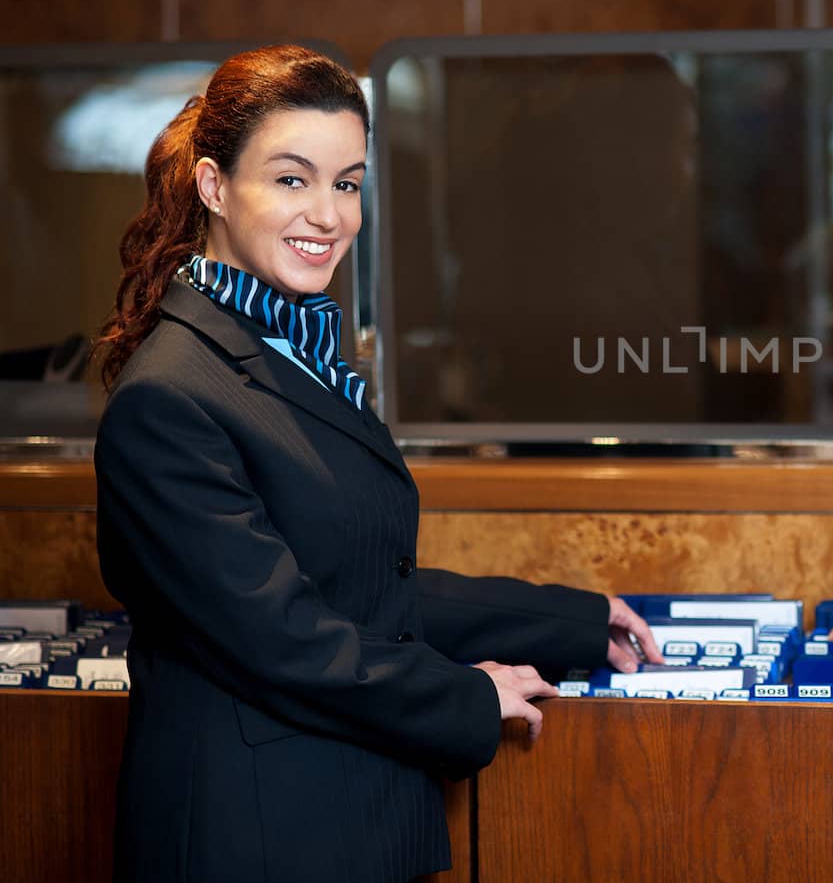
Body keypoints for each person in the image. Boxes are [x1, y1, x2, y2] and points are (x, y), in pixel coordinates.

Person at [93, 44, 663, 883]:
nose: (328, 214)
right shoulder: (169, 396)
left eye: (347, 183)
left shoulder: (296, 350)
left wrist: (572, 622)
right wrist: (467, 697)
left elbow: (358, 579)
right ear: (214, 186)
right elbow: (283, 638)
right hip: (253, 841)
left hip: (347, 819)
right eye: (292, 179)